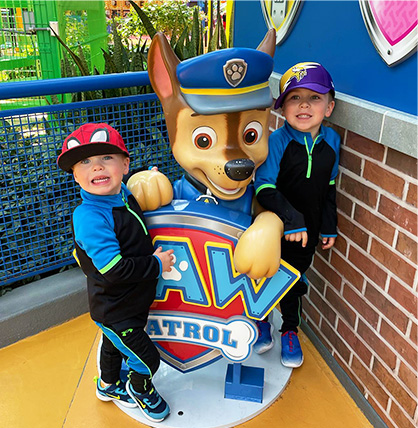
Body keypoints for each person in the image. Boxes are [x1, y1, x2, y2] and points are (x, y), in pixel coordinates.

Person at [57, 123, 174, 422]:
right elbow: (115, 270)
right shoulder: (91, 217)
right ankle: (140, 388)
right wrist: (157, 264)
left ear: (125, 165)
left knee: (112, 347)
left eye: (106, 157)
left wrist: (152, 177)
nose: (96, 166)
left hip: (127, 302)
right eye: (84, 162)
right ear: (74, 174)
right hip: (115, 307)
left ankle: (107, 385)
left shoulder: (121, 194)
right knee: (147, 359)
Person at [253, 62, 340, 368]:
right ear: (282, 107)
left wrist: (329, 228)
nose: (304, 104)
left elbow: (329, 189)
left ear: (328, 107)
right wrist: (291, 219)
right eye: (294, 97)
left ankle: (290, 329)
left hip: (309, 232)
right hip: (275, 230)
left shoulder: (332, 143)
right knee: (265, 277)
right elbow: (263, 188)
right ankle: (260, 319)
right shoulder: (276, 142)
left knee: (293, 282)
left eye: (314, 97)